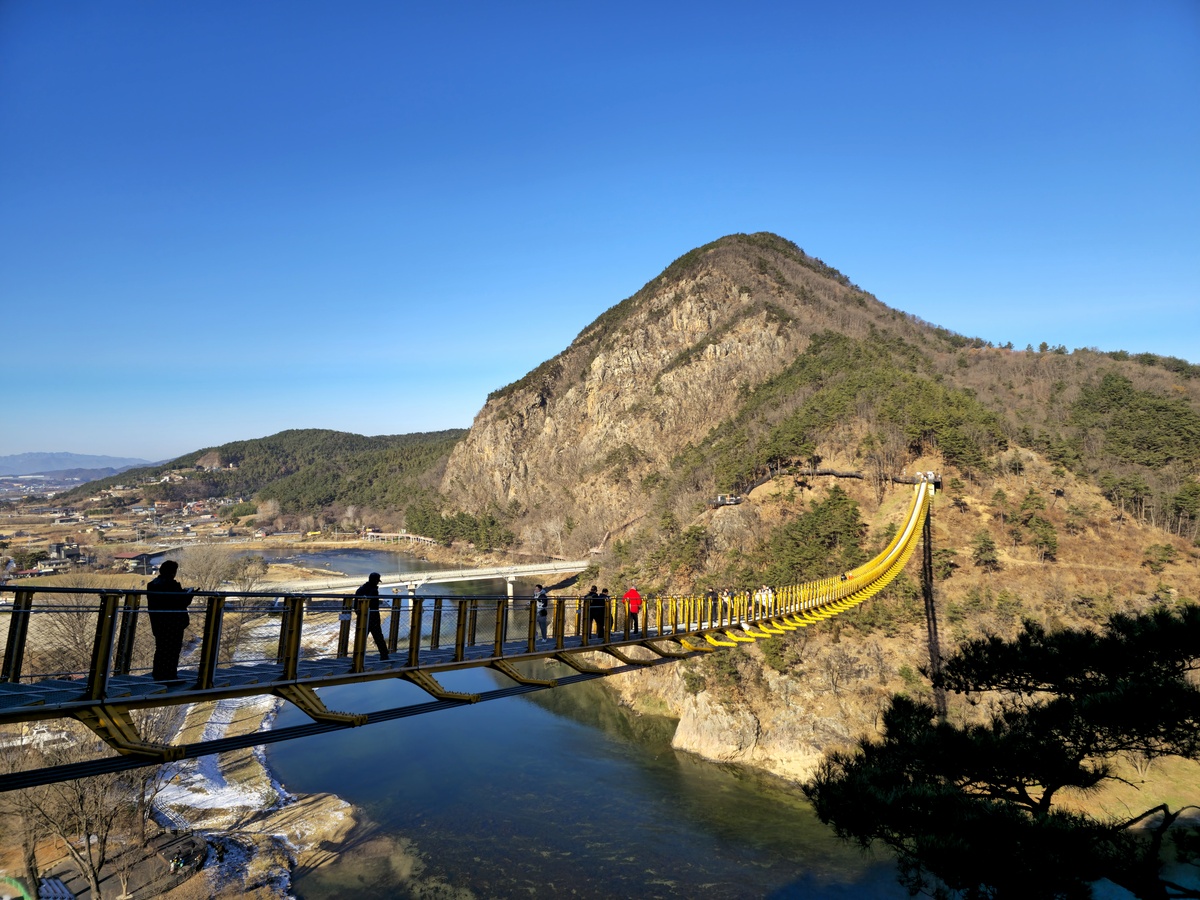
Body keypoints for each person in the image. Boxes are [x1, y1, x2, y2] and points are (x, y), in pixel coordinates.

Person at [146, 560, 195, 682]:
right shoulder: (172, 585)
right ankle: (170, 676)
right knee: (173, 650)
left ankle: (158, 675)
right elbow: (180, 602)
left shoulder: (152, 584)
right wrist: (189, 595)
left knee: (161, 649)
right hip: (174, 622)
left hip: (158, 621)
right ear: (172, 572)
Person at [355, 572, 390, 661]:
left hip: (362, 617)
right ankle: (384, 656)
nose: (378, 583)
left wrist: (360, 614)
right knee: (378, 637)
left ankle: (358, 658)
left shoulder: (360, 589)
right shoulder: (373, 590)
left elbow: (355, 605)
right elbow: (373, 604)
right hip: (373, 617)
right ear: (375, 580)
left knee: (361, 637)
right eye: (377, 581)